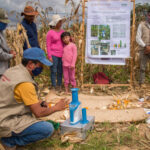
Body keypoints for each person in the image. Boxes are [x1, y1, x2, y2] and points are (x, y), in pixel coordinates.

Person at [0, 47, 69, 150]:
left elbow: (17, 96)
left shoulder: (13, 70)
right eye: (40, 66)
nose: (42, 69)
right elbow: (38, 113)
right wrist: (56, 107)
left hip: (3, 113)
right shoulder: (25, 84)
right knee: (46, 129)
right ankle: (9, 141)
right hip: (5, 121)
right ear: (31, 64)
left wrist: (39, 102)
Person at [46, 14, 65, 90]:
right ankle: (54, 85)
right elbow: (48, 45)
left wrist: (71, 40)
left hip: (62, 54)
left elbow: (66, 41)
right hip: (54, 54)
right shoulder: (50, 33)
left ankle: (59, 85)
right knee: (53, 70)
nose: (60, 24)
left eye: (61, 22)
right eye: (59, 22)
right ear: (55, 23)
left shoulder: (63, 32)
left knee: (60, 70)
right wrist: (49, 56)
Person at [0, 8, 16, 78]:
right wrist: (11, 56)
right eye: (3, 22)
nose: (5, 24)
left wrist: (9, 50)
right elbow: (1, 55)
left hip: (3, 69)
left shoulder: (2, 32)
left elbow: (4, 46)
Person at [136, 8, 150, 85]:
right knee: (142, 68)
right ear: (147, 15)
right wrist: (146, 46)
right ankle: (141, 84)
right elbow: (137, 38)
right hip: (143, 49)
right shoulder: (141, 25)